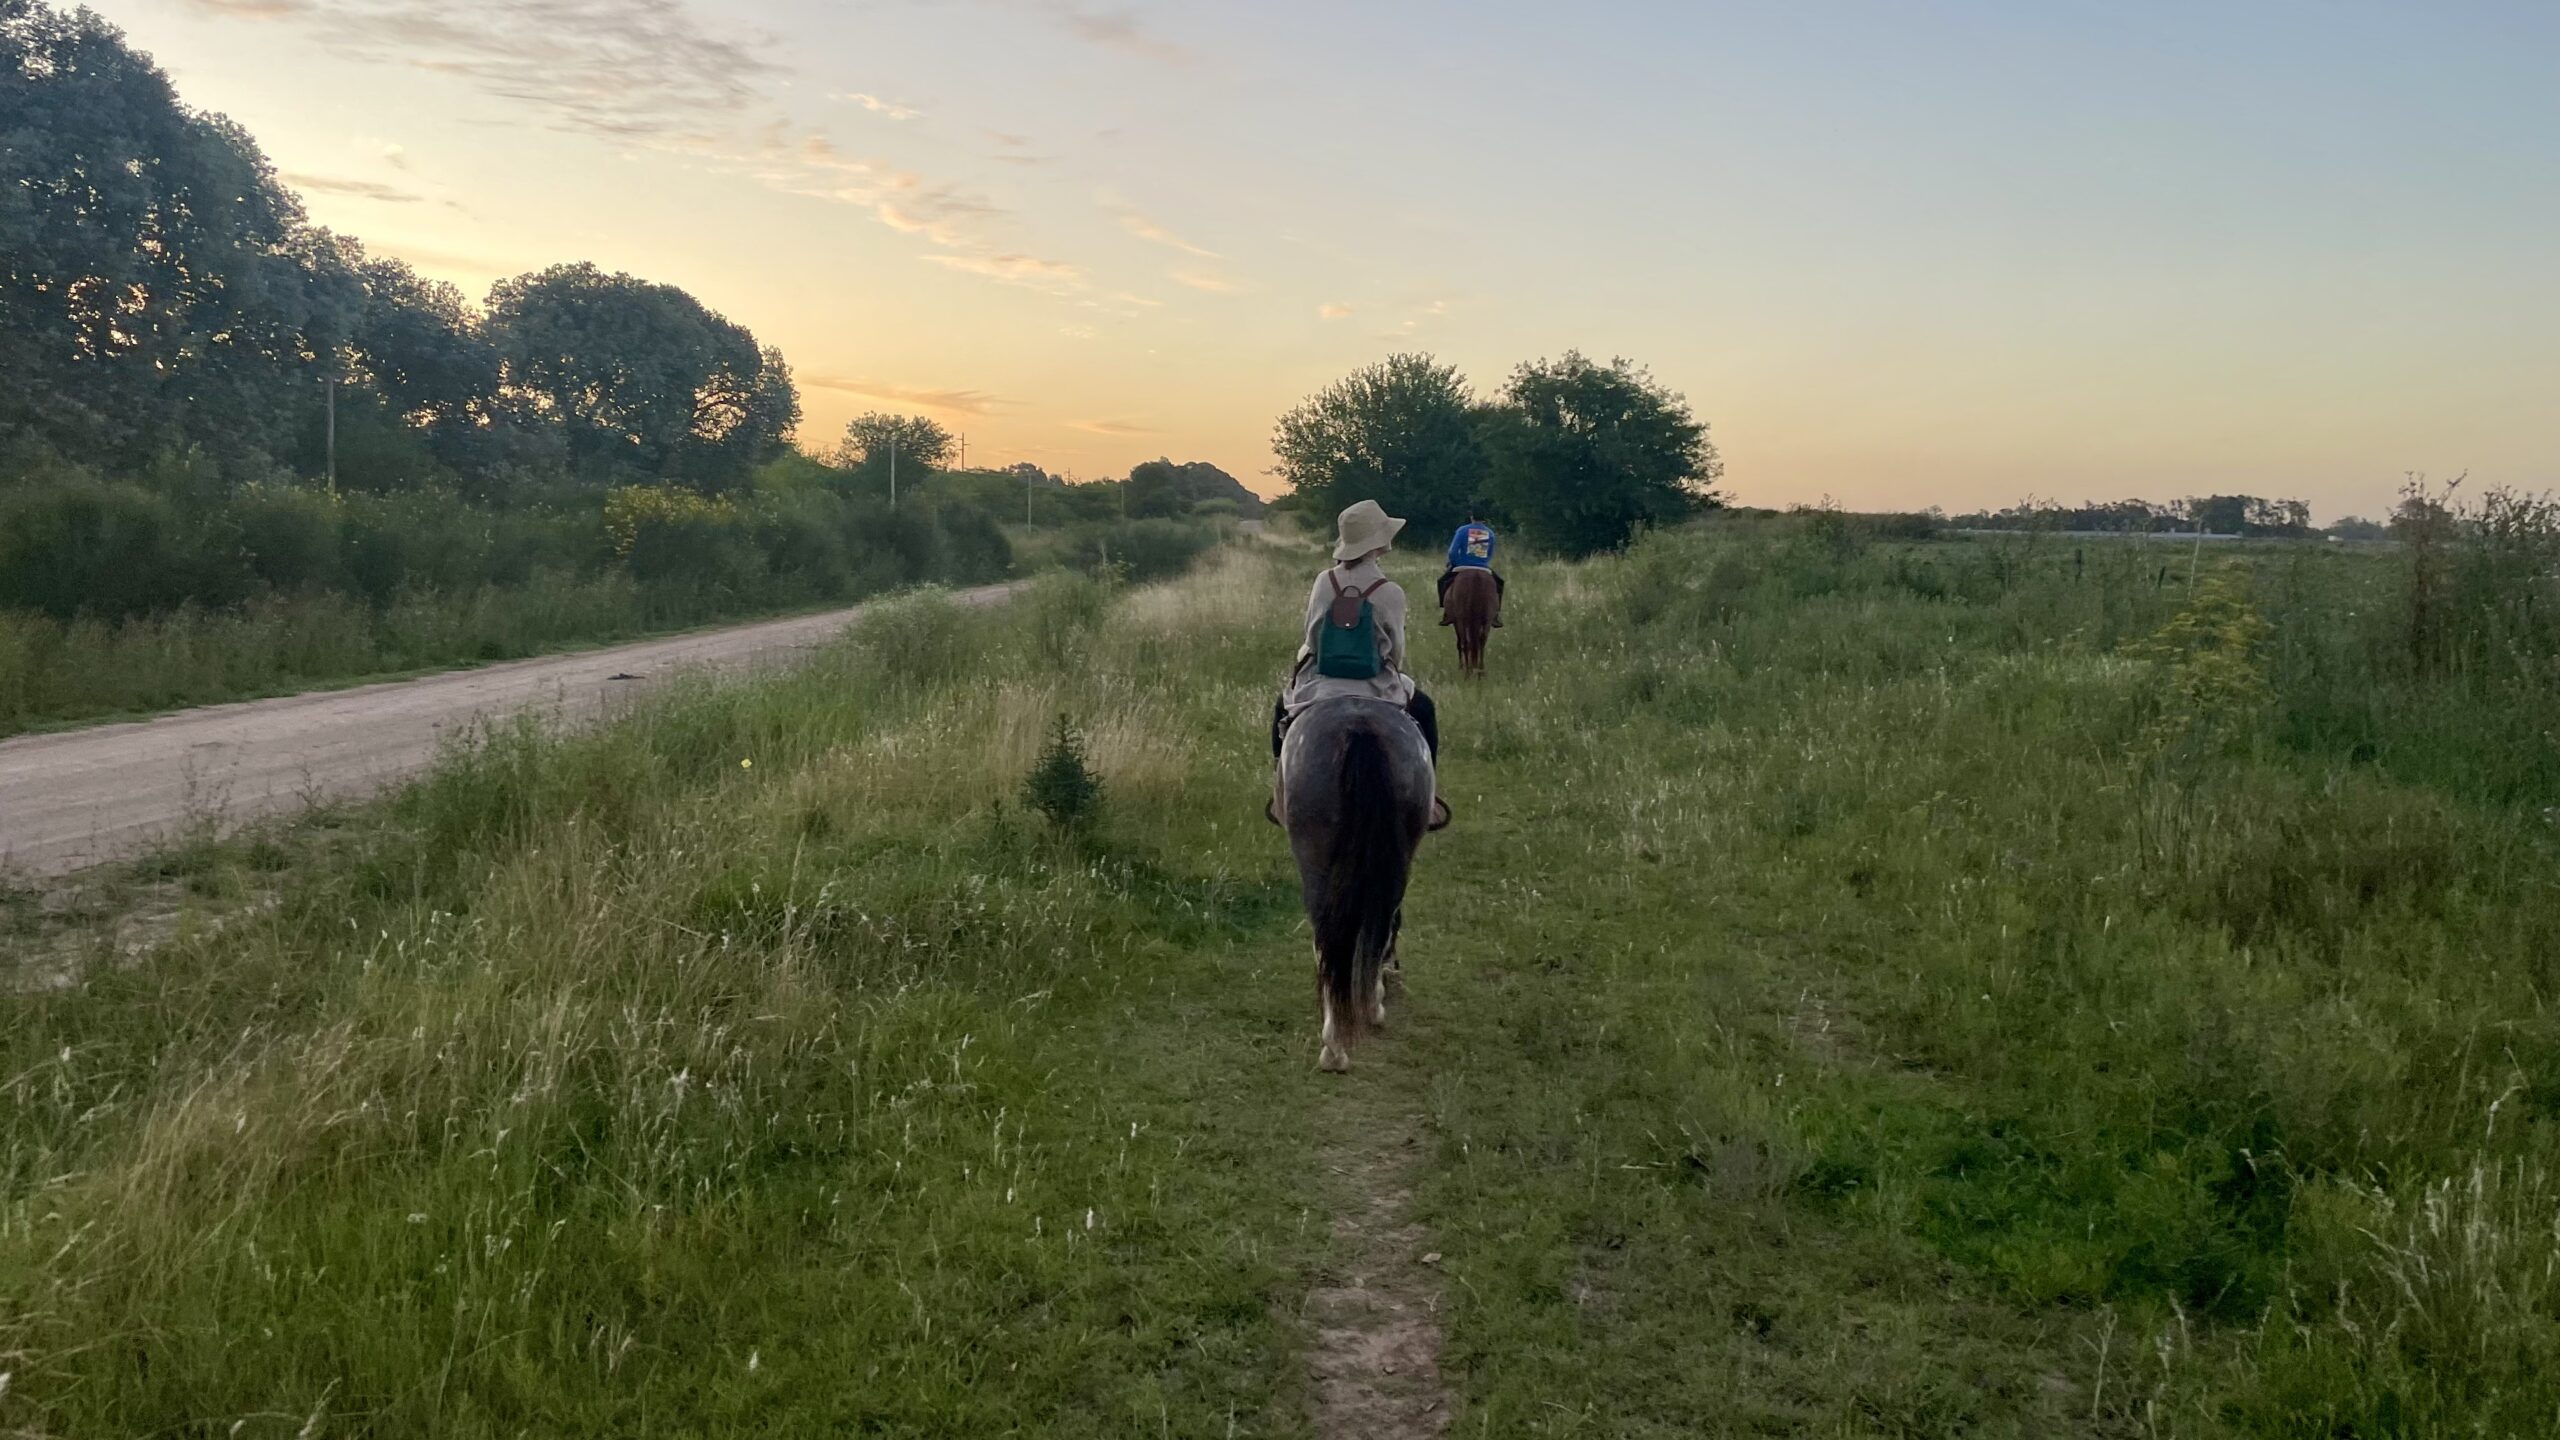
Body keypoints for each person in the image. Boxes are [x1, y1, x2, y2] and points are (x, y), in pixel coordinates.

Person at [1270, 499, 1448, 827]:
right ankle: (1430, 797)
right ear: (1378, 543)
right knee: (1425, 709)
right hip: (1376, 683)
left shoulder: (1324, 581)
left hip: (1321, 682)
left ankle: (1281, 794)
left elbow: (1312, 634)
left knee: (1281, 710)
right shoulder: (1391, 590)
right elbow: (1395, 652)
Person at [1436, 503, 1504, 626]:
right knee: (1499, 584)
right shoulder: (1490, 533)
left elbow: (1452, 552)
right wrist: (1482, 562)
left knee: (1442, 582)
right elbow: (1489, 554)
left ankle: (1446, 612)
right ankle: (1495, 614)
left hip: (1462, 565)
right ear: (1484, 518)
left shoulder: (1462, 530)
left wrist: (1455, 562)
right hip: (1483, 567)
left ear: (1471, 516)